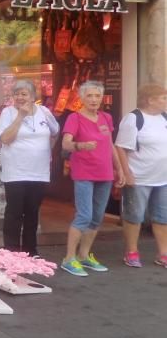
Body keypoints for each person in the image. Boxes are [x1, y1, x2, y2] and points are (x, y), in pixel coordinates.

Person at [60, 80, 125, 276]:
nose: (94, 99)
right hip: (84, 174)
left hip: (104, 174)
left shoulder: (106, 117)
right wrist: (80, 146)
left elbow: (111, 146)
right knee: (84, 216)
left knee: (97, 218)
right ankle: (68, 259)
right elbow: (65, 144)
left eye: (97, 95)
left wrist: (119, 169)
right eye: (89, 95)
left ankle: (83, 256)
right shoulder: (75, 118)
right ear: (82, 98)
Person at [0, 79, 59, 255]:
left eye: (24, 94)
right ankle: (11, 252)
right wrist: (20, 117)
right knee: (14, 213)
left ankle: (31, 251)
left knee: (32, 213)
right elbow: (5, 139)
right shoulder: (8, 113)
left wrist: (47, 150)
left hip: (39, 172)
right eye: (16, 94)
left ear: (33, 97)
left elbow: (55, 132)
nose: (19, 97)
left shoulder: (44, 112)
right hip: (15, 172)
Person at [114, 84, 167, 268]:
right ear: (150, 100)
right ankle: (131, 252)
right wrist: (127, 173)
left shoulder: (164, 117)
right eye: (163, 98)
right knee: (134, 216)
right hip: (140, 177)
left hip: (163, 178)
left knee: (162, 217)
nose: (166, 101)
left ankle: (163, 253)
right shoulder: (134, 118)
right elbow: (120, 146)